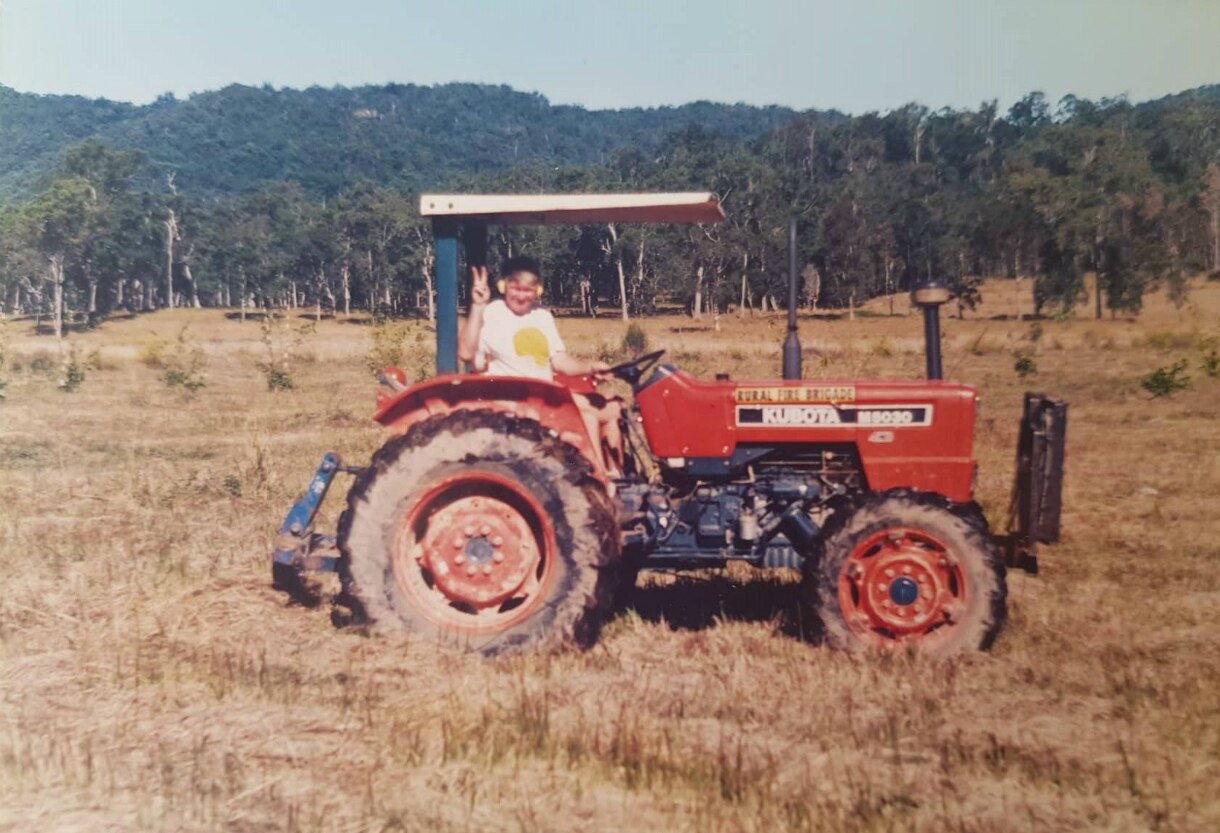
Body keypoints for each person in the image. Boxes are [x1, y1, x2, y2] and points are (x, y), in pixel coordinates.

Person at [458, 256, 625, 475]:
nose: (521, 295)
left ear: (537, 291)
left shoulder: (542, 317)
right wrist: (478, 306)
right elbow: (465, 352)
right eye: (515, 288)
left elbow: (560, 361)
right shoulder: (492, 313)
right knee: (588, 416)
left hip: (546, 396)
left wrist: (591, 366)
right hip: (516, 399)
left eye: (528, 290)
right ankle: (599, 478)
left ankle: (619, 477)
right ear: (503, 286)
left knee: (614, 409)